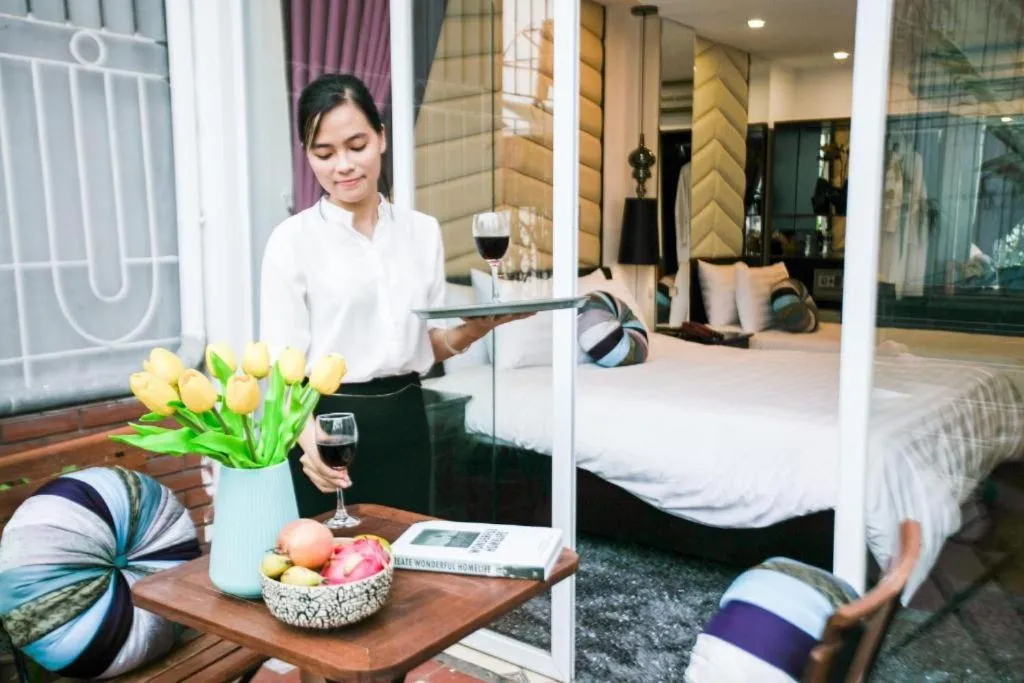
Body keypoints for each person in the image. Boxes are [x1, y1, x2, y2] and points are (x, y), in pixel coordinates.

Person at [259, 73, 524, 519]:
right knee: (331, 571)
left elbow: (427, 342)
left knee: (408, 565)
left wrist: (473, 331)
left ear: (381, 138)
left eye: (356, 145)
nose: (342, 165)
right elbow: (281, 372)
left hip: (406, 419)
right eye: (324, 154)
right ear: (308, 156)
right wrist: (309, 445)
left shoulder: (422, 231)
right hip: (326, 426)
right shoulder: (292, 240)